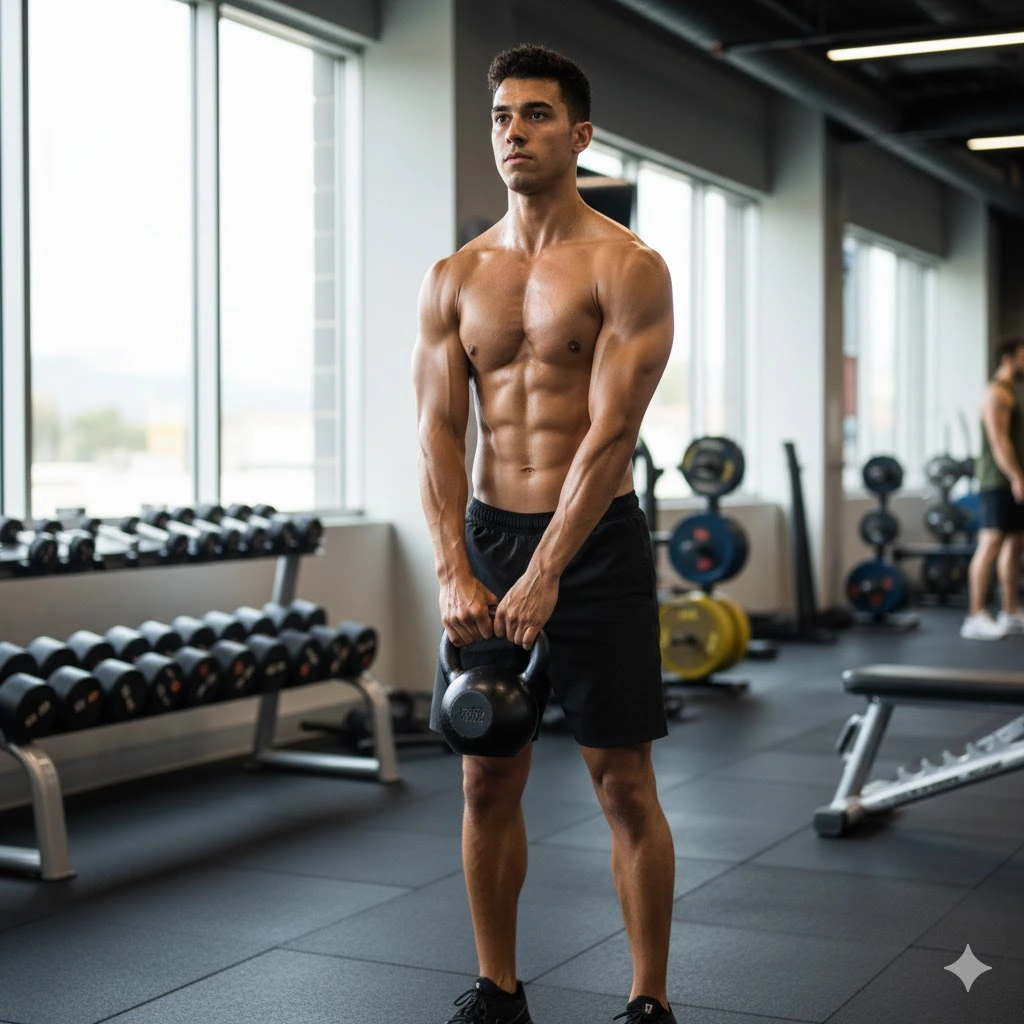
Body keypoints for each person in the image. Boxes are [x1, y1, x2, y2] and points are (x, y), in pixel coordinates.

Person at [413, 43, 677, 1024]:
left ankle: (647, 999)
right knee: (486, 778)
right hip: (486, 541)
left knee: (621, 784)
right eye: (499, 117)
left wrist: (548, 570)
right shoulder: (454, 277)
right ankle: (499, 988)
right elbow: (438, 433)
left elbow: (611, 435)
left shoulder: (627, 267)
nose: (512, 131)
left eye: (532, 114)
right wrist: (455, 568)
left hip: (596, 542)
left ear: (579, 134)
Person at [961, 337, 1024, 640]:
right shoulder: (997, 393)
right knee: (991, 544)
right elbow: (1000, 442)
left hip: (1012, 479)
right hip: (997, 481)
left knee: (1014, 544)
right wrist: (1016, 477)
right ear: (1009, 359)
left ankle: (1010, 612)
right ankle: (975, 615)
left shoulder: (1012, 392)